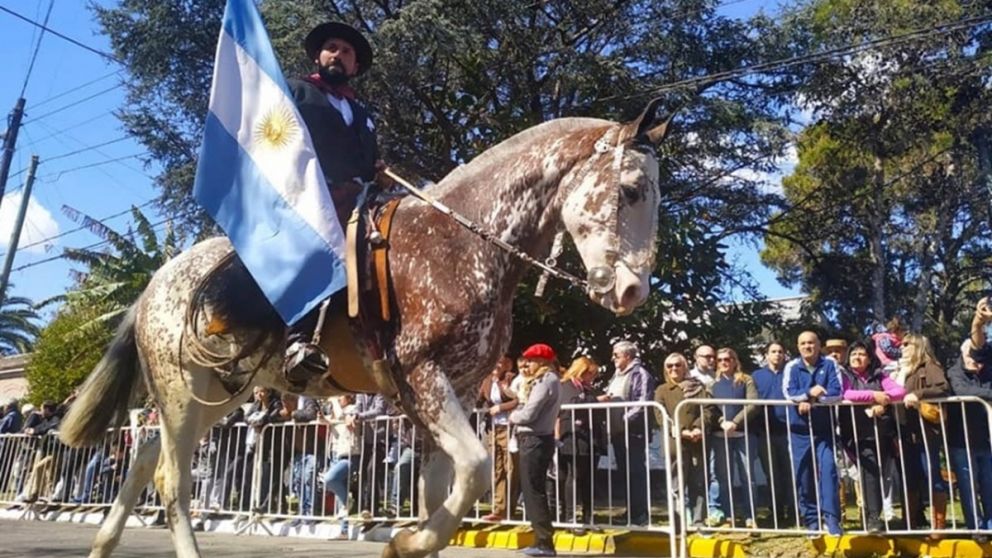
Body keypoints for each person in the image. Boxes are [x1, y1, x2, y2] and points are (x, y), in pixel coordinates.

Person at [282, 21, 381, 384]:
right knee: (319, 248)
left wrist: (378, 170)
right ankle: (298, 340)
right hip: (310, 195)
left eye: (347, 51)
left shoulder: (364, 113)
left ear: (355, 66)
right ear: (319, 55)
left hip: (360, 198)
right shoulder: (295, 91)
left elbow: (369, 161)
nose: (338, 54)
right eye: (333, 47)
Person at [839, 339, 904, 534]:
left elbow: (899, 391)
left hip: (880, 431)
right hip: (856, 432)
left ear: (869, 358)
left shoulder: (879, 375)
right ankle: (873, 518)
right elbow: (846, 393)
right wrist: (874, 396)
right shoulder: (844, 374)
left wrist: (884, 401)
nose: (857, 358)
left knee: (879, 474)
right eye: (854, 354)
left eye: (862, 354)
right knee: (869, 473)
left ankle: (871, 515)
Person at [783, 331, 843, 536]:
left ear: (819, 345)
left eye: (811, 343)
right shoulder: (791, 366)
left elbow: (837, 393)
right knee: (804, 475)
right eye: (803, 343)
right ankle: (811, 521)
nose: (807, 346)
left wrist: (814, 401)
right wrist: (810, 394)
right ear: (798, 346)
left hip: (825, 430)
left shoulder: (829, 364)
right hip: (799, 430)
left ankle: (832, 519)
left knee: (829, 471)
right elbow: (789, 394)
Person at [510, 343, 562, 558]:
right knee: (532, 490)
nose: (527, 364)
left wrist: (514, 415)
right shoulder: (545, 380)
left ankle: (544, 542)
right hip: (537, 439)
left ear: (541, 361)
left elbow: (529, 413)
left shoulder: (545, 381)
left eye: (531, 360)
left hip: (534, 439)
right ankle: (541, 540)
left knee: (533, 492)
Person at [654, 352, 716, 530]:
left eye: (677, 365)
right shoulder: (662, 390)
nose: (674, 368)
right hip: (675, 443)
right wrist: (681, 431)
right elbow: (660, 415)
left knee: (698, 482)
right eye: (670, 366)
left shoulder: (699, 387)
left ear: (685, 367)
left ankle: (699, 521)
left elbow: (708, 409)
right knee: (676, 484)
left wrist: (698, 427)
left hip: (697, 441)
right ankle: (678, 523)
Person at [896, 333, 949, 535]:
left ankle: (939, 526)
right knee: (910, 476)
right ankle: (910, 523)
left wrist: (918, 394)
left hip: (926, 431)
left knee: (931, 473)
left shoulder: (929, 366)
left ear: (918, 346)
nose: (902, 347)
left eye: (907, 344)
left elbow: (943, 388)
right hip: (906, 431)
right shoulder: (902, 371)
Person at [602, 340, 656, 526]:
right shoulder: (616, 375)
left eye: (616, 355)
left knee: (635, 473)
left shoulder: (640, 374)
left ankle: (640, 515)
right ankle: (630, 512)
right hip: (618, 433)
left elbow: (642, 403)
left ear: (627, 356)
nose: (612, 358)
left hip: (633, 433)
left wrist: (623, 420)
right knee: (625, 474)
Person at [946, 339, 992, 541]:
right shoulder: (954, 372)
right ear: (963, 353)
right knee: (968, 486)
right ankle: (977, 527)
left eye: (978, 357)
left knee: (989, 485)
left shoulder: (987, 372)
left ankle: (990, 525)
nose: (976, 361)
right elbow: (963, 391)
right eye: (972, 355)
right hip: (961, 441)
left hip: (985, 440)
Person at [708, 347, 757, 528]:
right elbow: (710, 408)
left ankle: (750, 515)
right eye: (720, 360)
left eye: (727, 359)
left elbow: (753, 404)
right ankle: (728, 515)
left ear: (735, 360)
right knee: (723, 477)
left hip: (743, 434)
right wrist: (722, 422)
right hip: (720, 435)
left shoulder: (746, 380)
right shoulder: (712, 384)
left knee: (747, 476)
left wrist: (735, 422)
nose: (723, 363)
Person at [749, 342, 795, 526]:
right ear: (766, 355)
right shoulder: (757, 376)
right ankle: (775, 512)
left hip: (789, 431)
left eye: (780, 351)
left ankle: (793, 511)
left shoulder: (791, 373)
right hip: (765, 431)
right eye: (773, 352)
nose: (777, 355)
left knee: (790, 472)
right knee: (772, 474)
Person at [555, 356, 601, 527]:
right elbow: (570, 404)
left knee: (588, 478)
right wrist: (596, 401)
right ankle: (570, 517)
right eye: (590, 373)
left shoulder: (588, 389)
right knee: (573, 476)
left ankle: (589, 517)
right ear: (581, 371)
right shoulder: (566, 386)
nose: (592, 377)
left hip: (589, 437)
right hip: (572, 436)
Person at [477, 355, 519, 522]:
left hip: (509, 427)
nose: (496, 366)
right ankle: (498, 509)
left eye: (500, 363)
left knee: (511, 468)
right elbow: (479, 400)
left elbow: (519, 399)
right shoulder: (487, 380)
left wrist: (501, 407)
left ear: (506, 365)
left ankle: (511, 508)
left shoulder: (510, 378)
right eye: (494, 362)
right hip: (493, 429)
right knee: (496, 468)